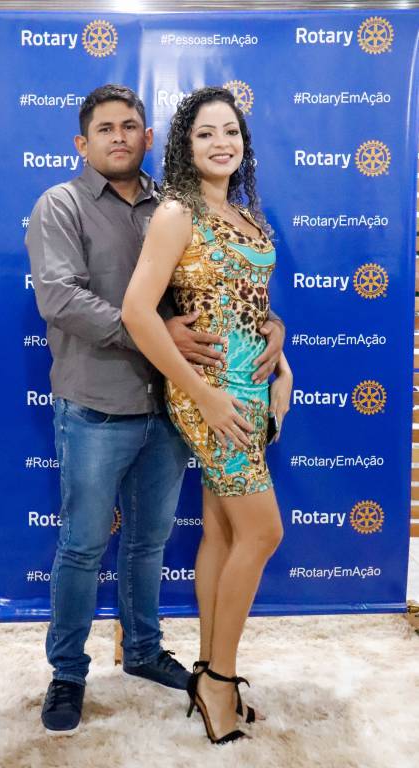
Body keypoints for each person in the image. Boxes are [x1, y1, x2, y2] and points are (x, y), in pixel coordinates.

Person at [26, 84, 286, 736]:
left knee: (152, 543)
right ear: (82, 142)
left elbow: (218, 293)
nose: (119, 137)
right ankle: (69, 672)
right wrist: (161, 339)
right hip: (103, 400)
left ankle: (149, 653)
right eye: (105, 128)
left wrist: (276, 340)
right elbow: (62, 299)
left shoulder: (168, 201)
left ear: (147, 138)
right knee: (84, 545)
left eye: (130, 126)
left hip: (169, 405)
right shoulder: (64, 205)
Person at [122, 86, 293, 745]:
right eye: (204, 133)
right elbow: (138, 311)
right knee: (263, 532)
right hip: (211, 398)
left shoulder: (247, 216)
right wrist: (201, 392)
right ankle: (220, 681)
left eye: (230, 132)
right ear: (185, 146)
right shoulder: (176, 212)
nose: (221, 143)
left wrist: (282, 359)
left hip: (251, 392)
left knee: (223, 533)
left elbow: (251, 303)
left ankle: (206, 669)